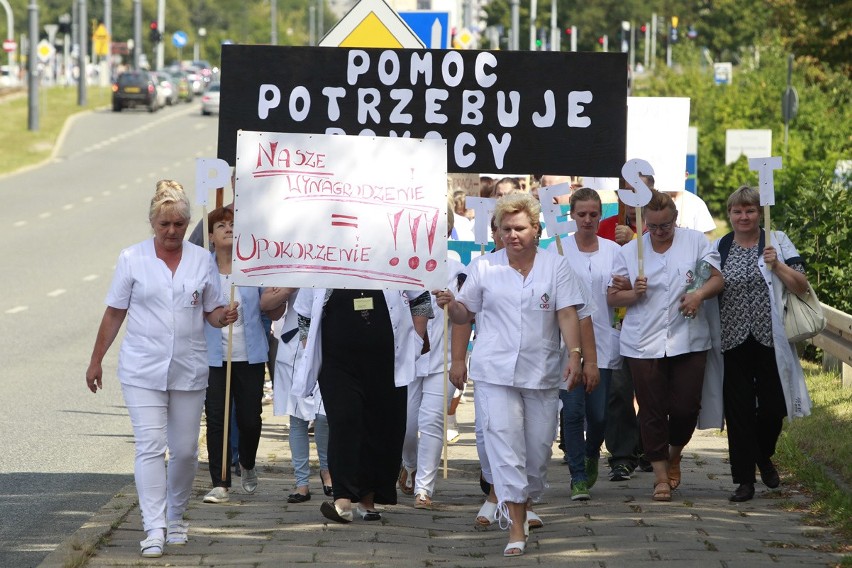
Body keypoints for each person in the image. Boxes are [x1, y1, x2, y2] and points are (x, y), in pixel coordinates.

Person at [85, 180, 238, 558]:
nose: (172, 232)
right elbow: (115, 311)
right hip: (142, 368)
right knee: (150, 447)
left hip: (188, 367)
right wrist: (96, 359)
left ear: (187, 224)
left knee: (185, 451)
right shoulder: (132, 259)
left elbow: (212, 311)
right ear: (153, 223)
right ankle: (154, 526)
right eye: (164, 225)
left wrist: (224, 316)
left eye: (179, 224)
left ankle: (177, 514)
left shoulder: (201, 260)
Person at [435, 193, 585, 557]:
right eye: (505, 229)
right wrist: (451, 305)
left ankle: (527, 498)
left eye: (519, 228)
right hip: (494, 372)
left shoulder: (556, 266)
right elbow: (463, 314)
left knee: (536, 450)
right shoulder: (484, 267)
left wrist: (576, 355)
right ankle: (515, 526)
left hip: (542, 371)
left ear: (536, 228)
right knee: (504, 446)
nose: (512, 235)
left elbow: (567, 314)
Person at [607, 190, 724, 502]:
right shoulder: (631, 251)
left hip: (688, 337)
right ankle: (660, 476)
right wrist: (633, 294)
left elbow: (716, 278)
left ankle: (674, 454)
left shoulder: (696, 242)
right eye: (653, 227)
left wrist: (698, 295)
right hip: (643, 342)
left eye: (665, 226)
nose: (659, 232)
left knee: (686, 407)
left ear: (675, 220)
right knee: (652, 410)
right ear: (644, 222)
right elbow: (613, 296)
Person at [293, 287, 431, 523]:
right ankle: (342, 498)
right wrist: (310, 350)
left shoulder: (393, 253)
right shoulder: (323, 257)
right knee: (345, 419)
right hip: (337, 362)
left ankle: (368, 499)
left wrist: (417, 339)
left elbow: (421, 298)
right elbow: (304, 313)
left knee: (379, 425)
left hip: (387, 360)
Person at [713, 185, 812, 502]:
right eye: (737, 211)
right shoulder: (720, 246)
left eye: (750, 210)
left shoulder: (777, 242)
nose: (744, 216)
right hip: (733, 340)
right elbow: (704, 280)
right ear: (730, 215)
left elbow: (801, 285)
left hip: (771, 339)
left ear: (760, 213)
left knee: (773, 408)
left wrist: (777, 265)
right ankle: (744, 481)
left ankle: (762, 455)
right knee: (739, 411)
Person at [552, 188, 621, 500]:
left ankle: (593, 453)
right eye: (582, 214)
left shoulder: (612, 250)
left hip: (603, 340)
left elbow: (621, 290)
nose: (588, 219)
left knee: (599, 415)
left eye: (594, 214)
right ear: (572, 215)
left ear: (600, 215)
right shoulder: (558, 249)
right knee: (573, 411)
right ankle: (578, 475)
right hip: (568, 344)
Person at [201, 207, 269, 504]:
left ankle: (248, 463)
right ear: (211, 237)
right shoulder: (203, 268)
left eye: (232, 224)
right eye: (220, 225)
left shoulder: (253, 267)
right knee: (217, 418)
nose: (228, 228)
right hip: (214, 358)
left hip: (249, 355)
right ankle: (220, 482)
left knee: (250, 419)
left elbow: (269, 304)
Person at [401, 208, 467, 509]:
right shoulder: (398, 266)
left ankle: (424, 489)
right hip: (406, 359)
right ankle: (409, 464)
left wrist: (450, 303)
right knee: (405, 424)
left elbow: (463, 317)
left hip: (441, 358)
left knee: (432, 420)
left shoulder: (456, 269)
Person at [262, 286, 332, 504]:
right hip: (293, 349)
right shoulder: (290, 261)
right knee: (297, 419)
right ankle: (301, 483)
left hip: (329, 341)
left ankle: (327, 470)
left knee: (324, 416)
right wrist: (288, 288)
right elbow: (269, 308)